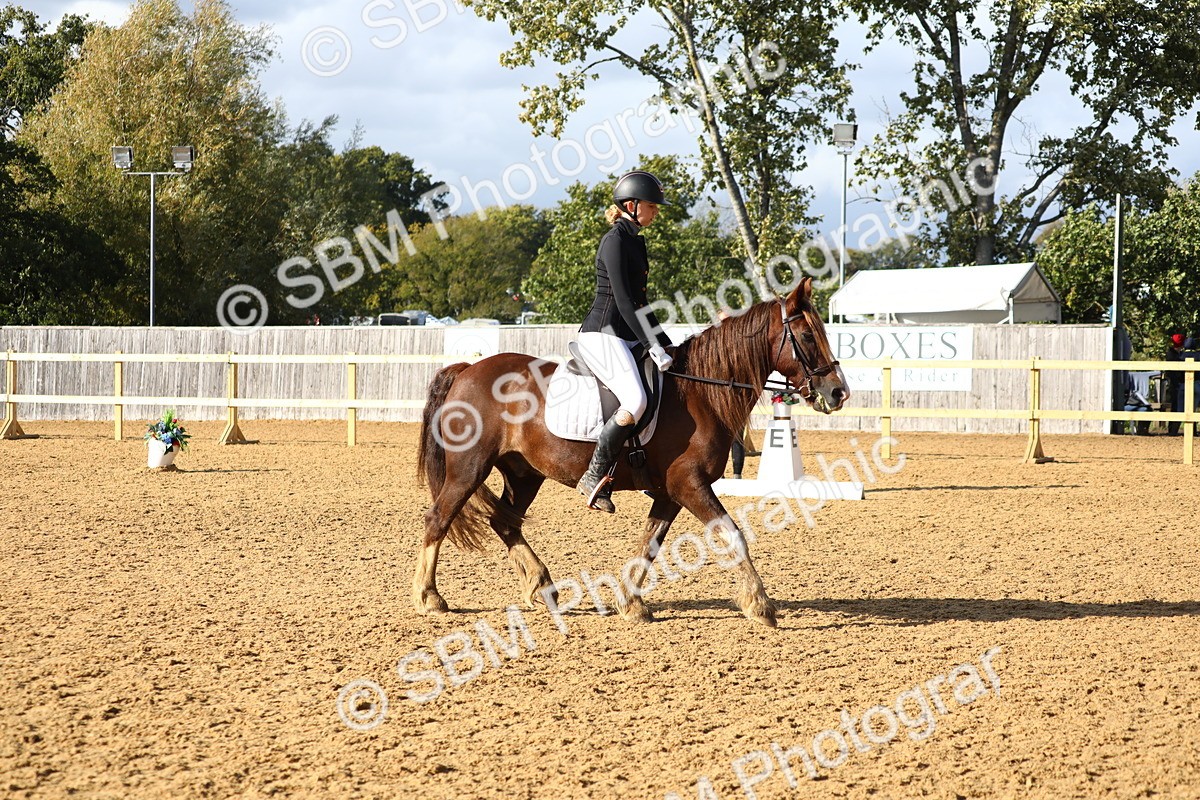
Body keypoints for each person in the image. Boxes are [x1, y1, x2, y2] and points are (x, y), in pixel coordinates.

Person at [574, 170, 676, 512]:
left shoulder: (636, 240)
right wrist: (651, 345)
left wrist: (665, 342)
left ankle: (646, 467)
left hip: (627, 337)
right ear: (631, 205)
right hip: (602, 335)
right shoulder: (614, 241)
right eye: (652, 205)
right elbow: (623, 301)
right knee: (635, 399)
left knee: (664, 387)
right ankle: (595, 474)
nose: (656, 211)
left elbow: (642, 304)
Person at [1166, 334, 1185, 435]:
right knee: (1176, 407)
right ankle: (1172, 431)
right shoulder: (1173, 354)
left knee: (1178, 406)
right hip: (1175, 384)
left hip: (1178, 384)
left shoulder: (1174, 353)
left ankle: (1173, 430)